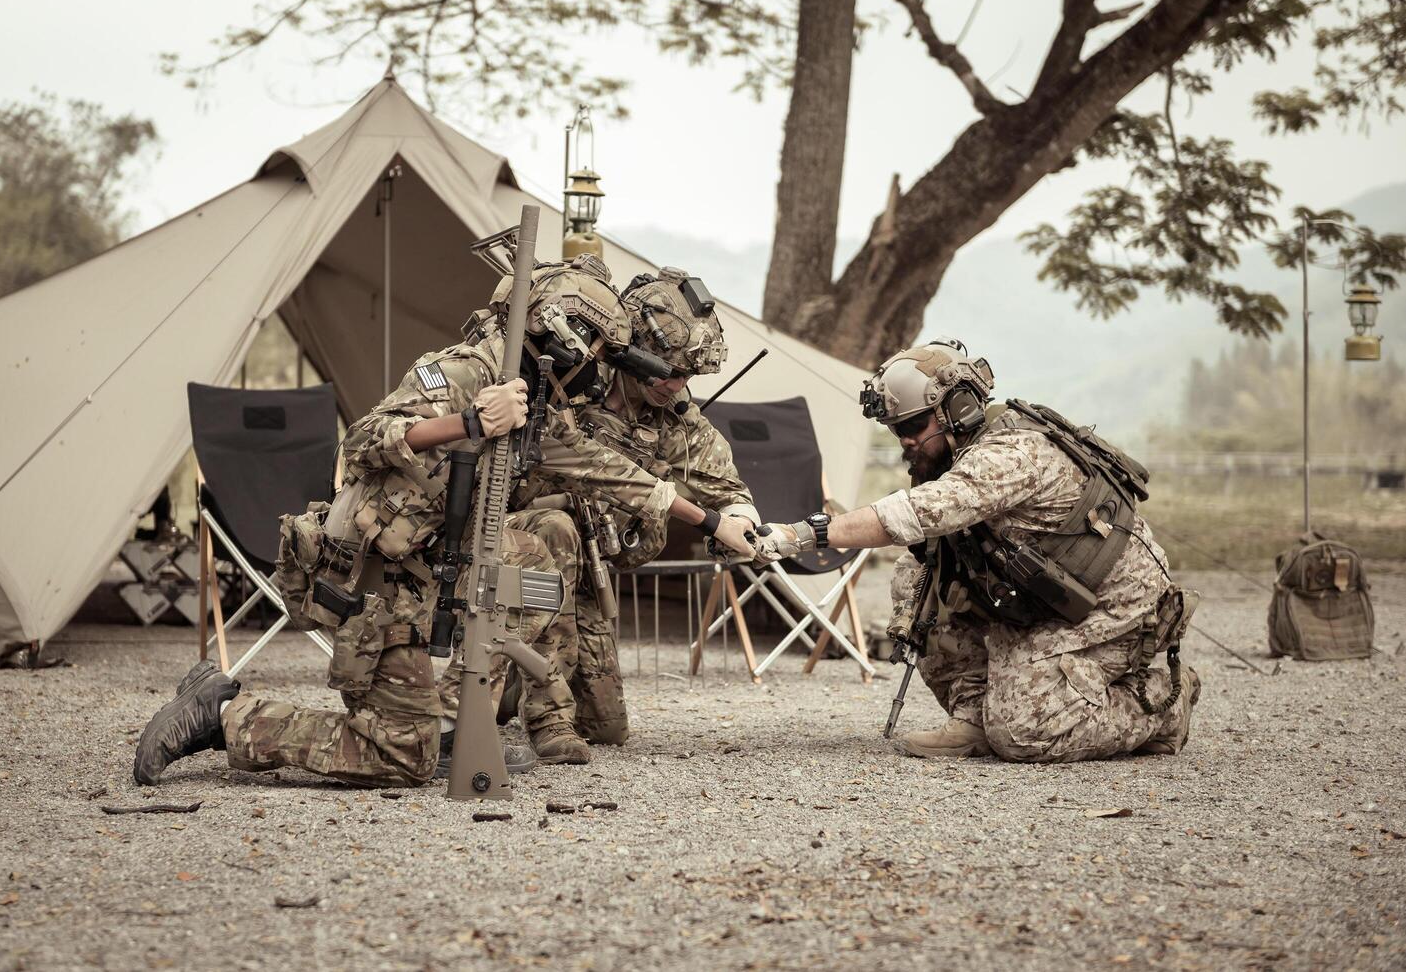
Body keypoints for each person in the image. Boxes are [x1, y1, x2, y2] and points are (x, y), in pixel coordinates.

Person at [132, 254, 755, 787]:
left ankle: (464, 717)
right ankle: (222, 715)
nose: (597, 368)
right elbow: (365, 439)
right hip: (378, 574)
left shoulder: (541, 399)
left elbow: (609, 469)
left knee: (536, 559)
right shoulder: (464, 371)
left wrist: (709, 522)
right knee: (399, 757)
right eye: (592, 352)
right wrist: (472, 424)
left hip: (439, 563)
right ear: (562, 338)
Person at [752, 340, 1201, 764]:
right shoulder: (960, 453)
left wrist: (799, 536)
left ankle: (1161, 704)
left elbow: (915, 513)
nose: (903, 440)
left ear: (957, 410)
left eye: (911, 426)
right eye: (895, 429)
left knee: (1025, 732)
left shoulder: (1009, 453)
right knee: (919, 572)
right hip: (1051, 594)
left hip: (1115, 606)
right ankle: (973, 715)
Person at [506, 266, 757, 751]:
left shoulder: (673, 414)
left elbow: (727, 487)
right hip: (523, 555)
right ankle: (544, 715)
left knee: (606, 730)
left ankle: (510, 681)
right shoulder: (568, 383)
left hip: (588, 578)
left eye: (688, 374)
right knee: (557, 527)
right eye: (671, 371)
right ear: (635, 354)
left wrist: (742, 521)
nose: (678, 385)